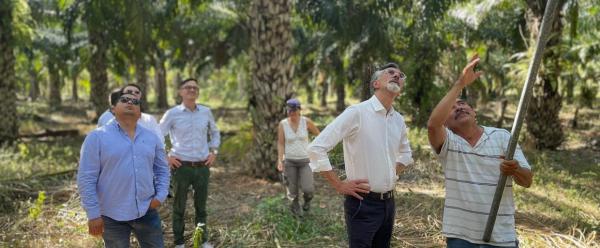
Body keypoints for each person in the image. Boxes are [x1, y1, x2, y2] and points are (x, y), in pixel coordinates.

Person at [427, 54, 533, 248]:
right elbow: (433, 125)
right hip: (461, 237)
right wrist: (460, 83)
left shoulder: (502, 137)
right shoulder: (449, 144)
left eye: (462, 104)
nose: (458, 108)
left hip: (501, 236)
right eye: (452, 108)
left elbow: (527, 180)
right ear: (447, 123)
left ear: (474, 113)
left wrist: (515, 169)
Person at [307, 62, 414, 248]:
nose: (397, 75)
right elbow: (316, 148)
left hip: (389, 204)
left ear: (401, 88)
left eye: (400, 74)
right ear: (376, 84)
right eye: (390, 72)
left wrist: (390, 172)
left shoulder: (398, 119)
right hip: (362, 203)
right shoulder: (357, 113)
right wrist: (338, 184)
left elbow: (405, 154)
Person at [77, 91, 170, 247]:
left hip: (146, 211)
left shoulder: (151, 138)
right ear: (113, 109)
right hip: (111, 215)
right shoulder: (97, 137)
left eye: (135, 102)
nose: (130, 103)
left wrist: (160, 196)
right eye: (124, 100)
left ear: (140, 113)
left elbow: (162, 170)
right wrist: (93, 214)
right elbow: (86, 177)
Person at [159, 78, 220, 248]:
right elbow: (157, 135)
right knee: (179, 207)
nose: (192, 90)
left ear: (198, 91)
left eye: (195, 87)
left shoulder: (206, 112)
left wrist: (214, 151)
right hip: (181, 167)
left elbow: (215, 132)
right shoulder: (172, 113)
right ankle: (179, 242)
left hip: (202, 167)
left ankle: (202, 240)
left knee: (201, 207)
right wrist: (166, 157)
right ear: (181, 92)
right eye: (188, 87)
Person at [276, 98, 321, 216]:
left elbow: (320, 136)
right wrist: (280, 160)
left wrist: (315, 150)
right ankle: (296, 214)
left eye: (294, 111)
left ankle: (307, 201)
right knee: (292, 191)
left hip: (305, 161)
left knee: (308, 189)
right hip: (290, 161)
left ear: (299, 110)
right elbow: (281, 143)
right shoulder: (283, 124)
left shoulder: (306, 122)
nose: (292, 113)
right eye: (289, 111)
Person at [97, 84, 164, 145]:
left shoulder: (149, 119)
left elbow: (159, 140)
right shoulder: (109, 119)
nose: (133, 94)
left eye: (137, 92)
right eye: (129, 92)